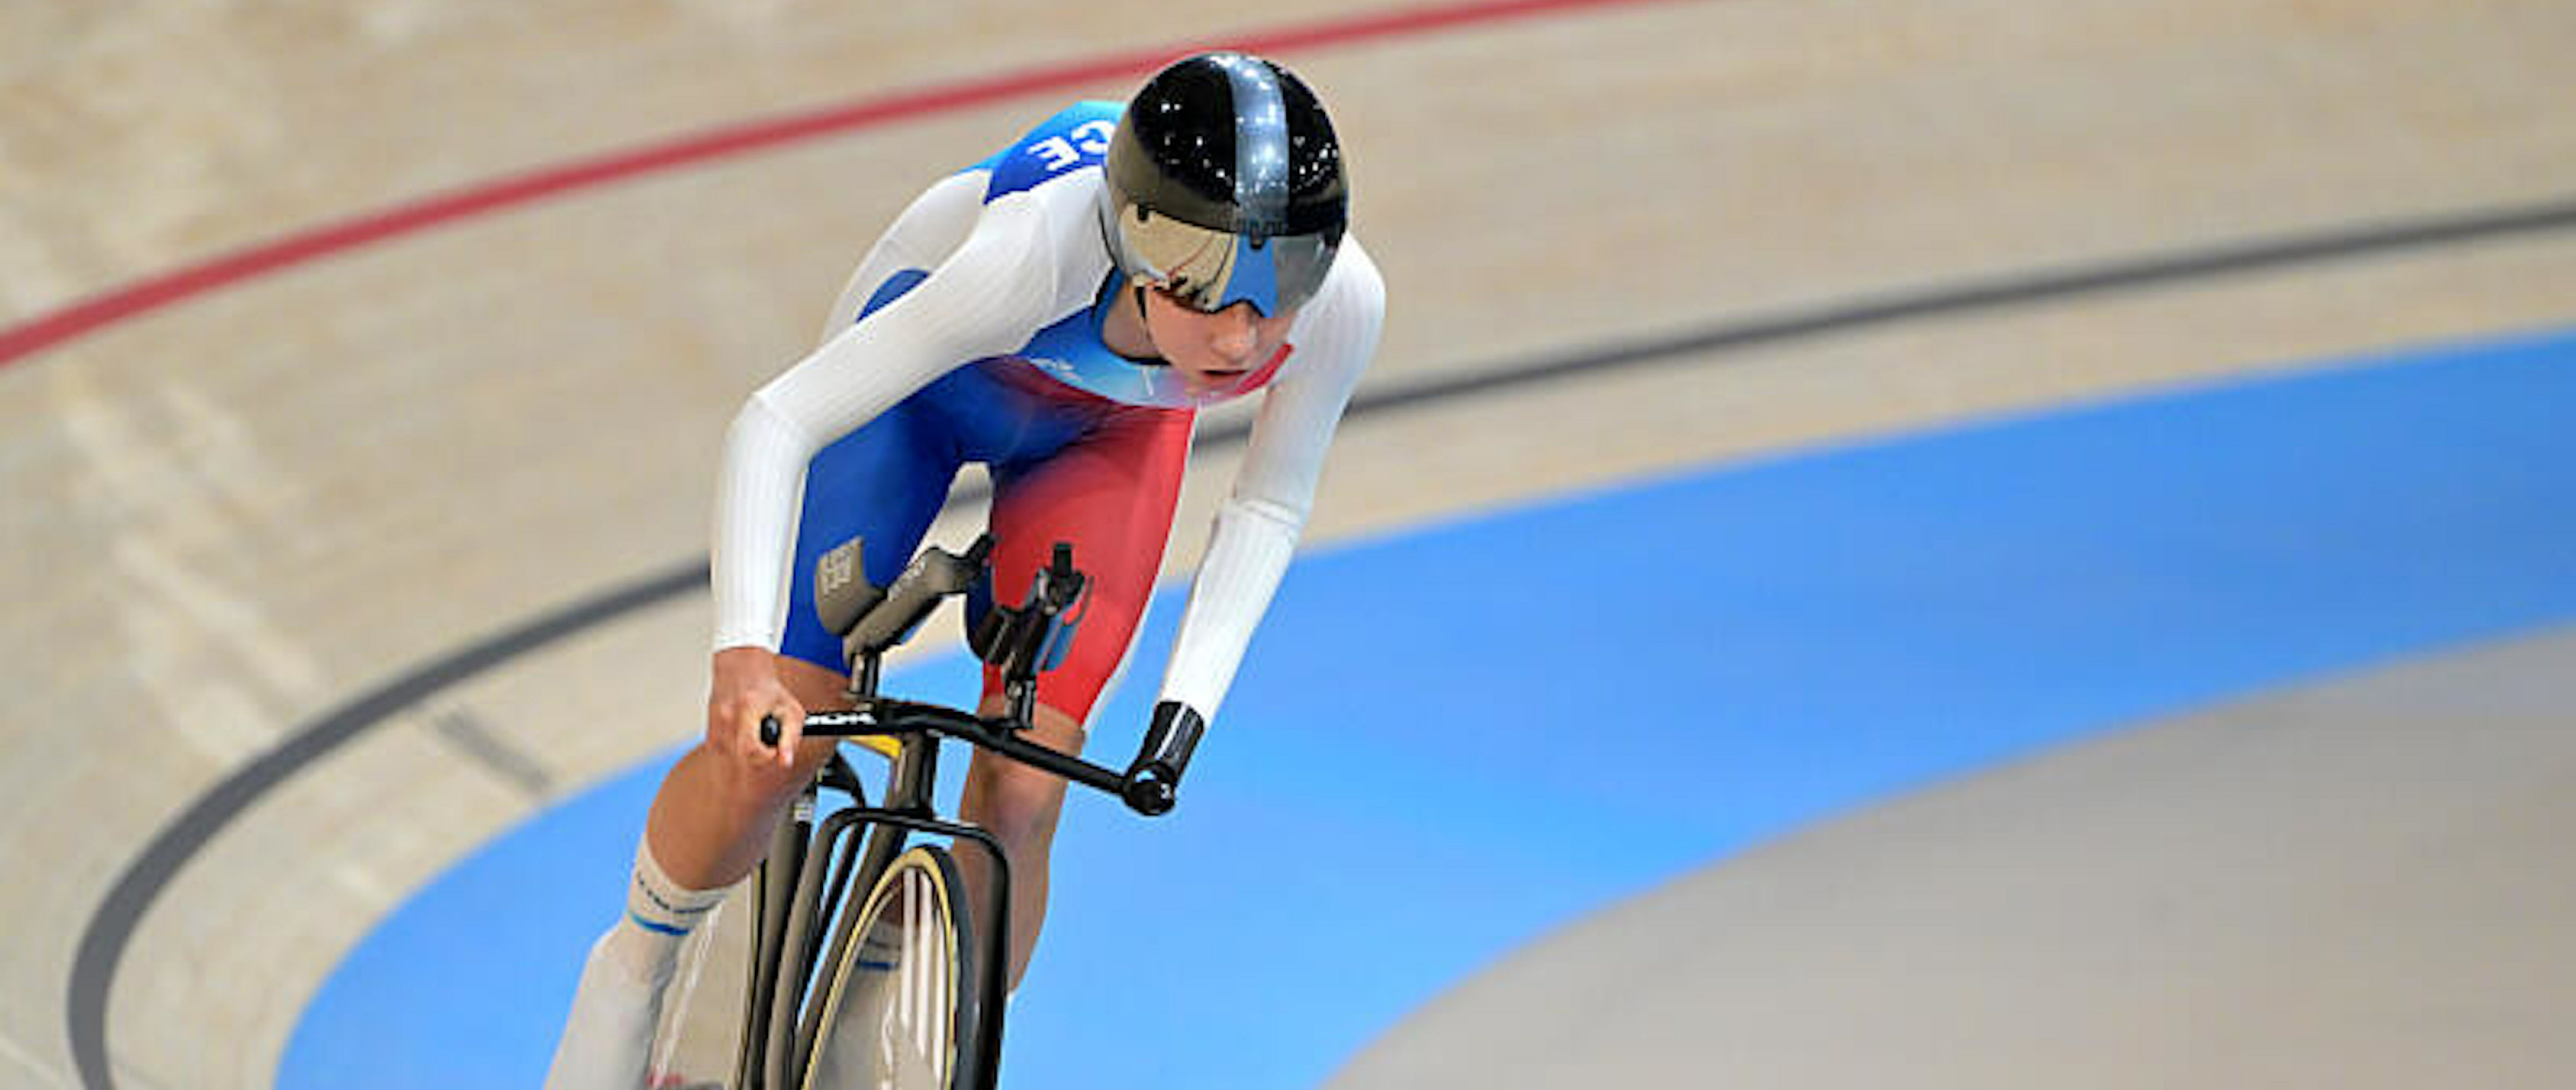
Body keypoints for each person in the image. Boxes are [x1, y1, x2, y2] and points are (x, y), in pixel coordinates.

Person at [546, 50, 1384, 1087]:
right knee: (777, 749)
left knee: (1026, 798)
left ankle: (896, 1011)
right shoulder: (1026, 257)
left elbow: (1267, 504)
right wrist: (744, 658)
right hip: (928, 391)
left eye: (1283, 288)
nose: (1245, 334)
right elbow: (777, 422)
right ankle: (638, 963)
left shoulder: (1346, 302)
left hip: (1104, 439)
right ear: (1134, 242)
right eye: (1207, 288)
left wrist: (1181, 719)